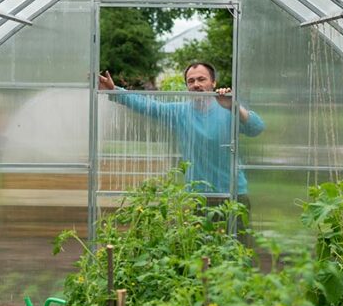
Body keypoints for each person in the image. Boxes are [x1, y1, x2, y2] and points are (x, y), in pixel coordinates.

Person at [98, 62, 265, 222]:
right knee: (201, 249)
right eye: (190, 81)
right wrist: (114, 91)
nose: (196, 85)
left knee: (238, 247)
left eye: (201, 79)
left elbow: (256, 128)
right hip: (200, 196)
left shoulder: (228, 108)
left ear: (213, 82)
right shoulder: (180, 112)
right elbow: (147, 105)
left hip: (234, 193)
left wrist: (233, 106)